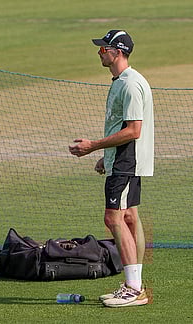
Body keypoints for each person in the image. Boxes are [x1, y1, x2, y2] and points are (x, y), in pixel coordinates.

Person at [69, 30, 154, 307]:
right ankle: (134, 283)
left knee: (113, 218)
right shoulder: (122, 81)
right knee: (128, 217)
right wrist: (105, 156)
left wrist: (93, 145)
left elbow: (133, 130)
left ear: (117, 52)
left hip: (126, 161)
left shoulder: (129, 84)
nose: (99, 52)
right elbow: (122, 128)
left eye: (104, 48)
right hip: (121, 159)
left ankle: (133, 287)